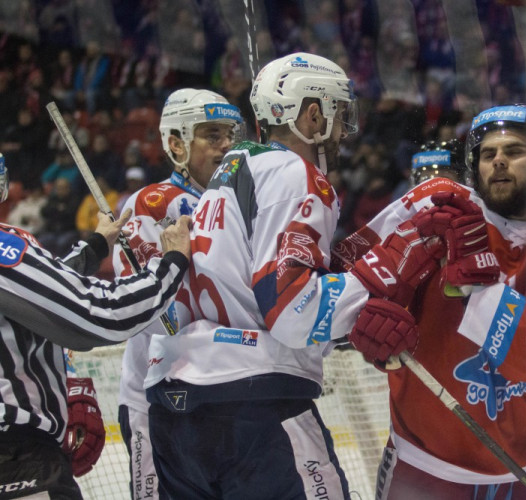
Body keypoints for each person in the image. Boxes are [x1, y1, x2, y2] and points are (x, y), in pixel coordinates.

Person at [144, 52, 462, 499]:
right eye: (338, 113)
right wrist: (399, 257)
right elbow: (294, 310)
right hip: (253, 409)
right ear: (312, 114)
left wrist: (405, 215)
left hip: (177, 411)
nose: (340, 130)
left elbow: (280, 273)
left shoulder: (231, 171)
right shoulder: (297, 173)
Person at [331, 104, 526, 499]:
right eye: (488, 154)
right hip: (424, 468)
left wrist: (474, 279)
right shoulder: (434, 205)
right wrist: (373, 330)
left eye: (515, 151)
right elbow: (345, 282)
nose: (499, 161)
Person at [0, 153, 192, 500]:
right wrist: (171, 264)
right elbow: (101, 313)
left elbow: (25, 294)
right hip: (15, 458)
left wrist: (93, 248)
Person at [114, 88, 244, 500]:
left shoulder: (240, 205)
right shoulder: (153, 204)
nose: (226, 146)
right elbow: (150, 312)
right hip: (157, 403)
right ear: (176, 144)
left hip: (228, 396)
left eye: (230, 135)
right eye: (212, 135)